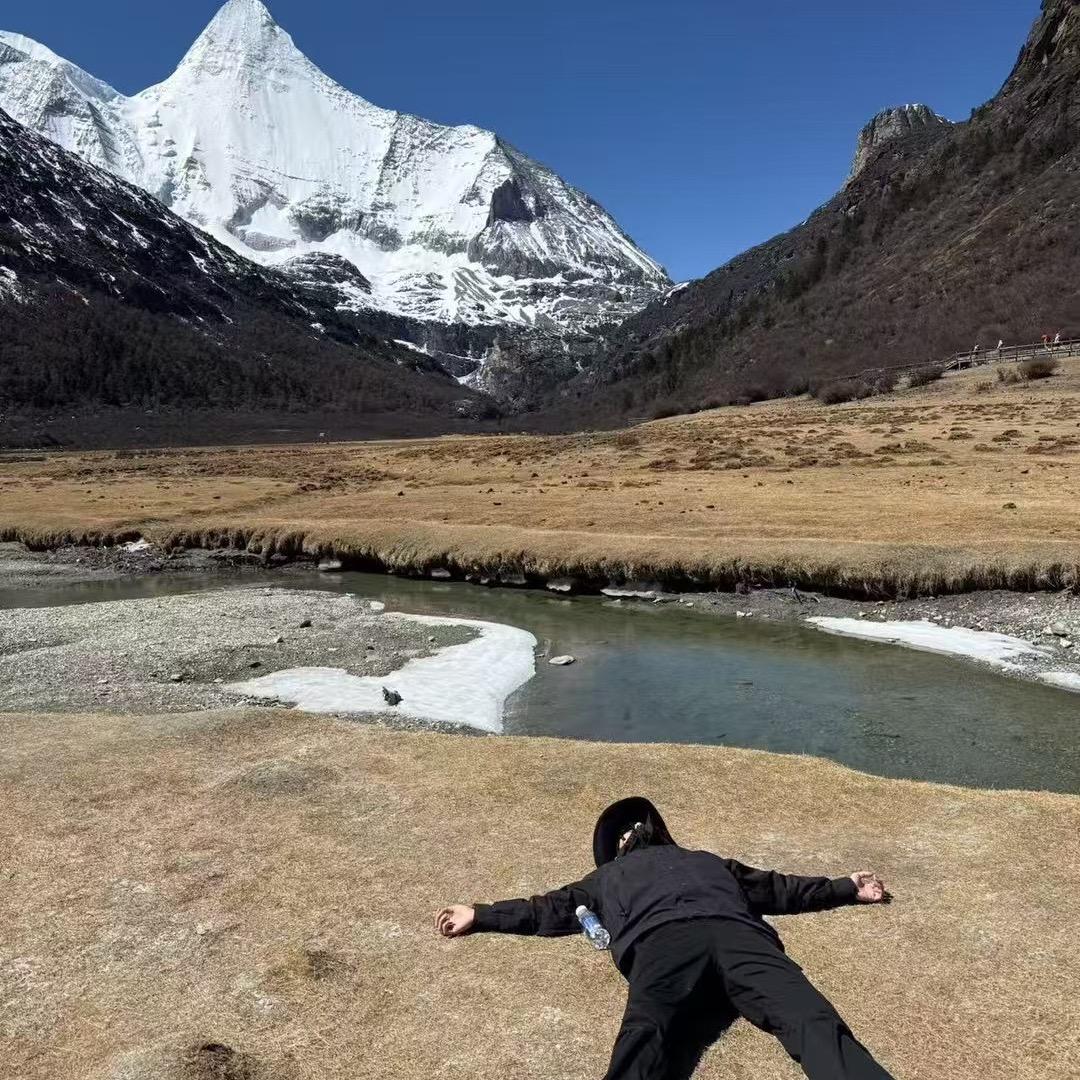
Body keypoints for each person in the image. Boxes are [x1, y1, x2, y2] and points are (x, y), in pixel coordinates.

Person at [435, 797, 894, 1080]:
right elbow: (548, 909)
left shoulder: (708, 861)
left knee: (810, 1017)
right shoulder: (606, 878)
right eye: (626, 832)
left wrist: (846, 887)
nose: (634, 833)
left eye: (637, 827)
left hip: (736, 936)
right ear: (617, 847)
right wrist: (481, 913)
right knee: (644, 1035)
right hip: (666, 944)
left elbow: (780, 889)